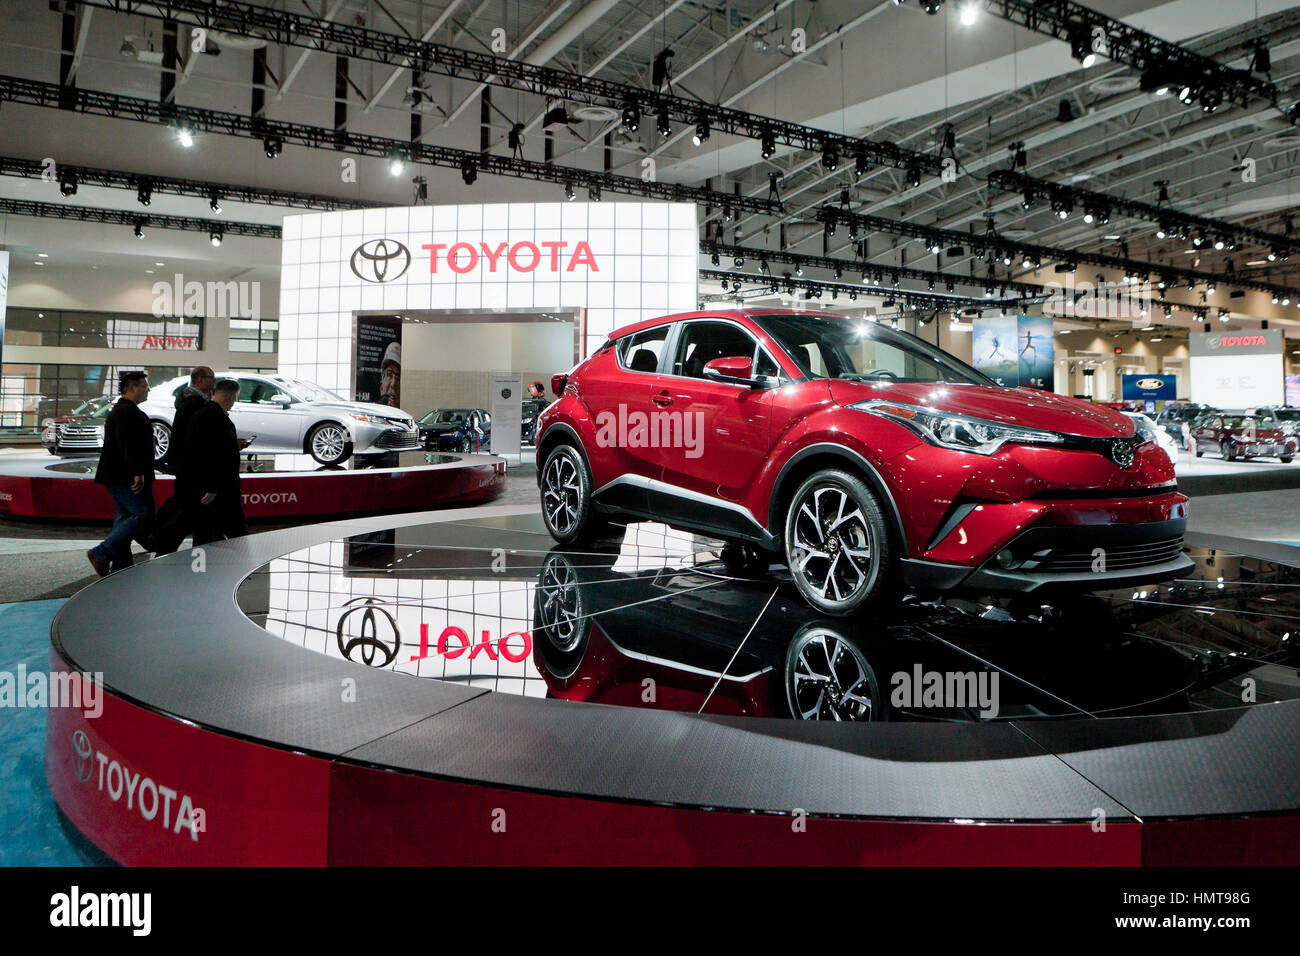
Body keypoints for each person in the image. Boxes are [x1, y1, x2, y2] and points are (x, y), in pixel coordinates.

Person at [87, 371, 155, 577]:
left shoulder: (124, 410)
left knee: (124, 517)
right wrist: (137, 472)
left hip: (118, 475)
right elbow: (129, 445)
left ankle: (121, 564)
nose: (148, 389)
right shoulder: (127, 412)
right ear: (131, 387)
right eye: (144, 385)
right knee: (143, 515)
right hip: (125, 476)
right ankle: (102, 552)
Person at [151, 366, 214, 555]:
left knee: (189, 513)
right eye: (211, 378)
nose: (214, 381)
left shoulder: (186, 400)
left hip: (185, 468)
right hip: (193, 469)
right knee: (190, 515)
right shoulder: (195, 404)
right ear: (201, 379)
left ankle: (166, 551)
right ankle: (166, 551)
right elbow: (197, 439)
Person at [189, 379, 248, 545]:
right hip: (222, 488)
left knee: (207, 532)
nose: (234, 402)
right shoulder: (215, 417)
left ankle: (202, 568)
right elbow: (213, 454)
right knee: (236, 533)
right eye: (235, 397)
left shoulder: (203, 414)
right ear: (230, 395)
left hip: (212, 486)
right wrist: (213, 486)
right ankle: (241, 567)